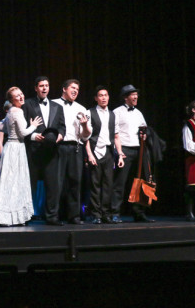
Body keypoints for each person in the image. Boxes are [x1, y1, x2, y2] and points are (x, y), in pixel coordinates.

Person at [0, 87, 39, 226]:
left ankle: (10, 217)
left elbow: (1, 127)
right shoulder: (17, 111)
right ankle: (14, 217)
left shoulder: (11, 111)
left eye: (21, 94)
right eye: (17, 96)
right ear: (11, 100)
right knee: (15, 182)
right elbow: (24, 133)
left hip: (10, 147)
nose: (21, 97)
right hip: (16, 147)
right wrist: (33, 125)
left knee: (10, 182)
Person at [22, 76, 66, 226]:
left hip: (52, 151)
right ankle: (26, 215)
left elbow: (62, 126)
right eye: (41, 86)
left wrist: (61, 135)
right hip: (33, 151)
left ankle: (52, 216)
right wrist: (34, 136)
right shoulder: (27, 104)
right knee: (30, 186)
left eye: (46, 85)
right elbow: (22, 127)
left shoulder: (57, 107)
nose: (44, 88)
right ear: (36, 88)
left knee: (53, 186)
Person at [111, 84, 154, 223]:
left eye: (136, 94)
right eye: (132, 94)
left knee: (140, 182)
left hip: (139, 150)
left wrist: (145, 135)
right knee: (120, 183)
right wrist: (118, 152)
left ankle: (139, 212)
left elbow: (144, 128)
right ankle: (115, 213)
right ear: (125, 97)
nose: (136, 97)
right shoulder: (117, 112)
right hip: (124, 149)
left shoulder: (138, 113)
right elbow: (114, 133)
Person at [52, 79, 92, 224]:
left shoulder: (81, 108)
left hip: (76, 147)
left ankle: (74, 216)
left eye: (77, 89)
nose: (75, 91)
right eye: (72, 88)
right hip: (58, 147)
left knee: (75, 182)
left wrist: (85, 124)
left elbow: (86, 135)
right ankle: (54, 215)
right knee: (57, 182)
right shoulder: (53, 104)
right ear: (64, 89)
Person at [85, 86, 125, 224]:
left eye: (106, 95)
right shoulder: (89, 112)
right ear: (96, 98)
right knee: (95, 185)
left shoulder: (113, 114)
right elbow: (86, 138)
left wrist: (119, 154)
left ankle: (106, 214)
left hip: (108, 152)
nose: (103, 98)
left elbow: (116, 136)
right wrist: (89, 155)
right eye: (100, 95)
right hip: (95, 151)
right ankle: (95, 214)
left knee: (108, 185)